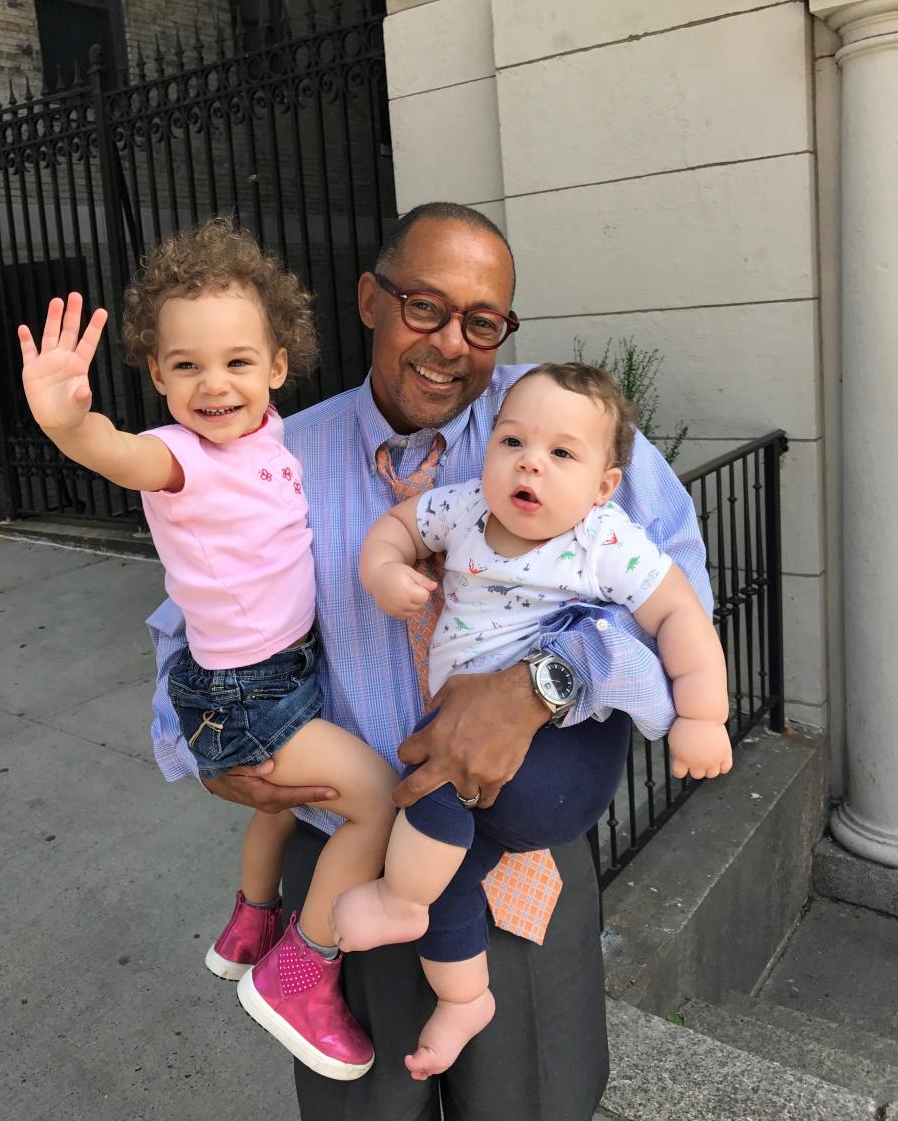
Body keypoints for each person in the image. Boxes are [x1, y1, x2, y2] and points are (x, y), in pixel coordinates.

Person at [148, 202, 714, 1121]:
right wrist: (209, 752)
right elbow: (190, 618)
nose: (451, 343)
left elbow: (681, 604)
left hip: (519, 861)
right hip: (351, 860)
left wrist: (548, 684)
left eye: (481, 321)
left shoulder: (562, 425)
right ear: (370, 299)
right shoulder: (274, 452)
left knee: (536, 1102)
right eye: (423, 307)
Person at [17, 220, 399, 1081]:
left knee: (280, 804)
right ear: (156, 374)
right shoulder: (179, 457)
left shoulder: (271, 436)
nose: (212, 384)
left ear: (276, 365)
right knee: (375, 800)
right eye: (186, 365)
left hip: (276, 671)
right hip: (246, 693)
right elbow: (116, 452)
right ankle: (303, 973)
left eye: (235, 361)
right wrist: (69, 426)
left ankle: (249, 921)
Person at [332, 361, 732, 1078]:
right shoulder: (461, 512)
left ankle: (399, 899)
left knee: (434, 797)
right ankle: (463, 998)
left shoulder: (602, 542)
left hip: (559, 753)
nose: (530, 465)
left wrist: (702, 714)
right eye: (512, 442)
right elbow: (396, 524)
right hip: (471, 766)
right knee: (452, 866)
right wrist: (385, 568)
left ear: (604, 486)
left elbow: (678, 612)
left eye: (561, 454)